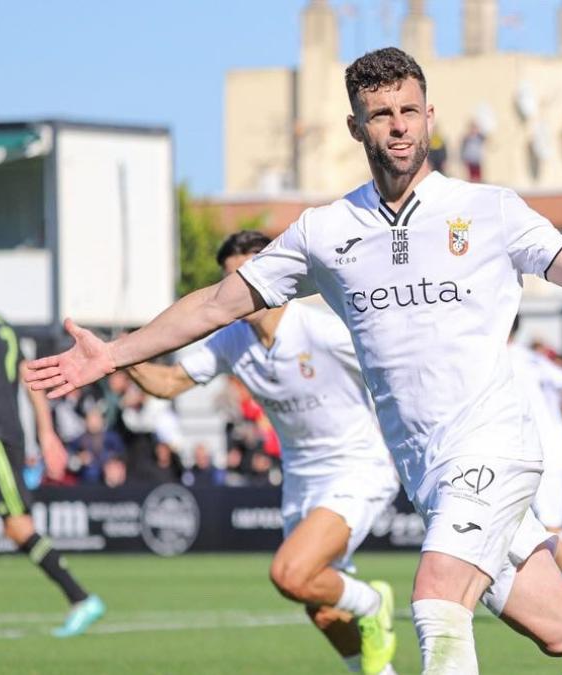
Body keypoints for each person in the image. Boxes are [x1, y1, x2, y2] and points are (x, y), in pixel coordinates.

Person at [26, 48, 562, 675]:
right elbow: (216, 305)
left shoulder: (488, 211)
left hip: (494, 445)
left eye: (408, 110)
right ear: (356, 126)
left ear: (430, 115)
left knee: (436, 601)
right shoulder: (325, 230)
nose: (397, 126)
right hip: (427, 468)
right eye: (380, 115)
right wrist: (114, 352)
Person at [124, 230, 401, 675]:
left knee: (291, 574)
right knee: (321, 606)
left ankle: (373, 601)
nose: (234, 294)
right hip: (300, 481)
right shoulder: (231, 340)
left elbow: (395, 367)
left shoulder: (322, 330)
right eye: (227, 284)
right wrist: (116, 355)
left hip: (357, 469)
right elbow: (170, 383)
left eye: (244, 280)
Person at [0, 307, 105, 636]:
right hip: (1, 435)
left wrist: (47, 435)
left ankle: (81, 598)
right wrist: (46, 433)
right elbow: (30, 377)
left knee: (18, 526)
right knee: (14, 526)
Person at [508, 315, 562, 593]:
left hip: (543, 454)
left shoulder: (506, 359)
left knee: (549, 531)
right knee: (527, 526)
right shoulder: (526, 357)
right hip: (544, 451)